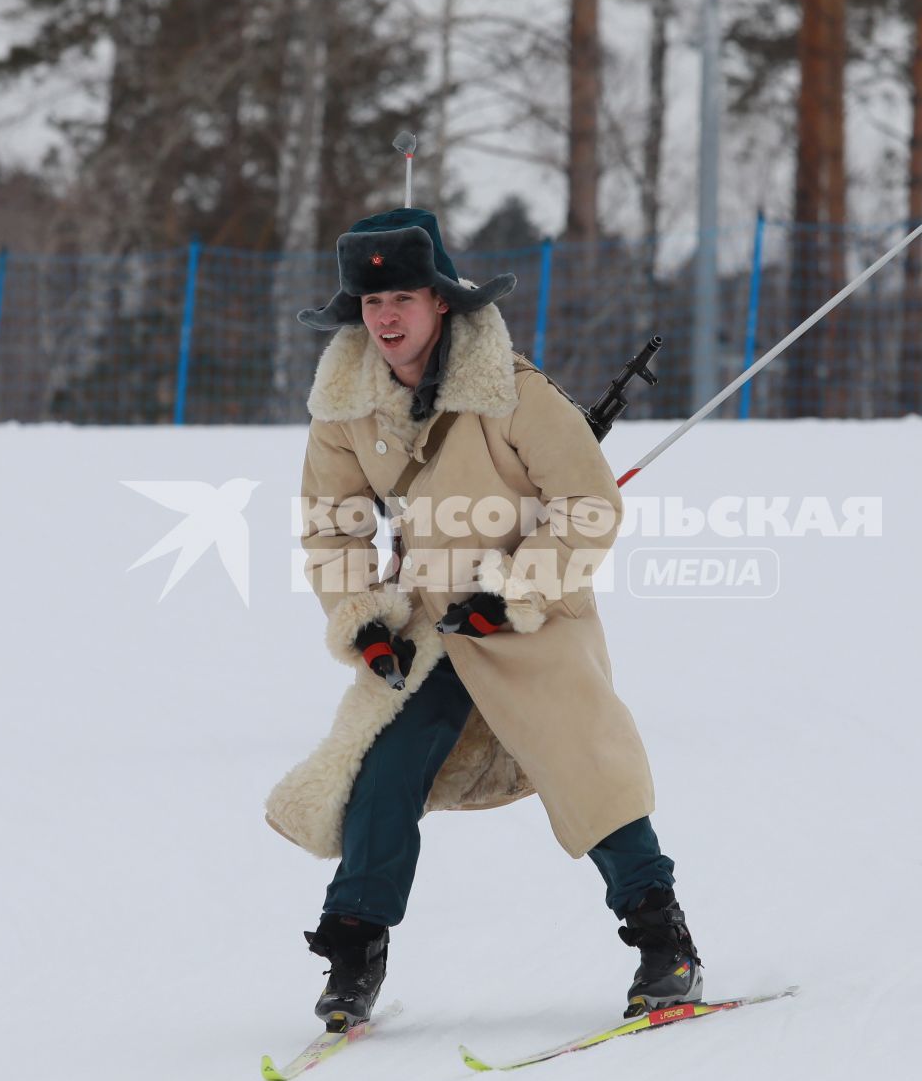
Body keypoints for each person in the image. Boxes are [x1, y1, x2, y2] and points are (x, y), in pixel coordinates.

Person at [265, 207, 701, 1030]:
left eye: (402, 298)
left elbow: (588, 505)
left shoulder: (516, 394)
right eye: (371, 303)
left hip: (532, 615)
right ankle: (355, 950)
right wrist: (365, 618)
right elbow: (331, 523)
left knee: (585, 766)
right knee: (379, 775)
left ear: (442, 303)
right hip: (426, 622)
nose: (386, 317)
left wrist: (515, 590)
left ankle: (662, 941)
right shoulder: (344, 408)